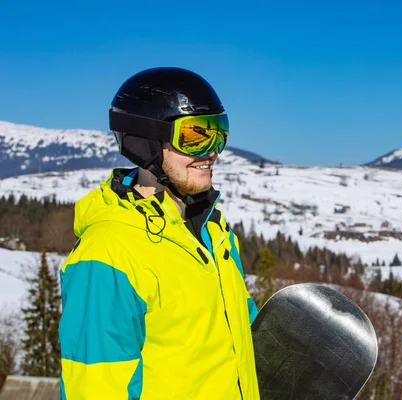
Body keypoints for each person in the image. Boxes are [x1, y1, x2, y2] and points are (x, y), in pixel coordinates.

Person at [58, 67, 260, 399]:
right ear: (144, 140)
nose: (211, 151)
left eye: (218, 133)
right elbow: (95, 389)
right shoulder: (109, 254)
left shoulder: (215, 236)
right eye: (195, 136)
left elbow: (242, 344)